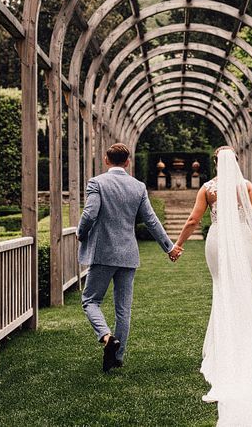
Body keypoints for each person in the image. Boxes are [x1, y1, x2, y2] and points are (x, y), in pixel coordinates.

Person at [174, 145, 252, 426]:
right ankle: (244, 346)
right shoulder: (245, 186)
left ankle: (225, 349)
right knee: (243, 294)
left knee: (222, 291)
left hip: (217, 242)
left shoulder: (208, 188)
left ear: (216, 163)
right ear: (236, 162)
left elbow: (194, 219)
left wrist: (179, 244)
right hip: (242, 240)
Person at [76, 142, 177, 372]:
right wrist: (168, 248)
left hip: (103, 253)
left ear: (105, 160)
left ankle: (106, 337)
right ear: (128, 161)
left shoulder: (97, 182)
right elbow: (151, 220)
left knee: (90, 300)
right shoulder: (138, 187)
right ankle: (117, 357)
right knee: (124, 309)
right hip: (128, 254)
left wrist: (81, 233)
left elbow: (90, 213)